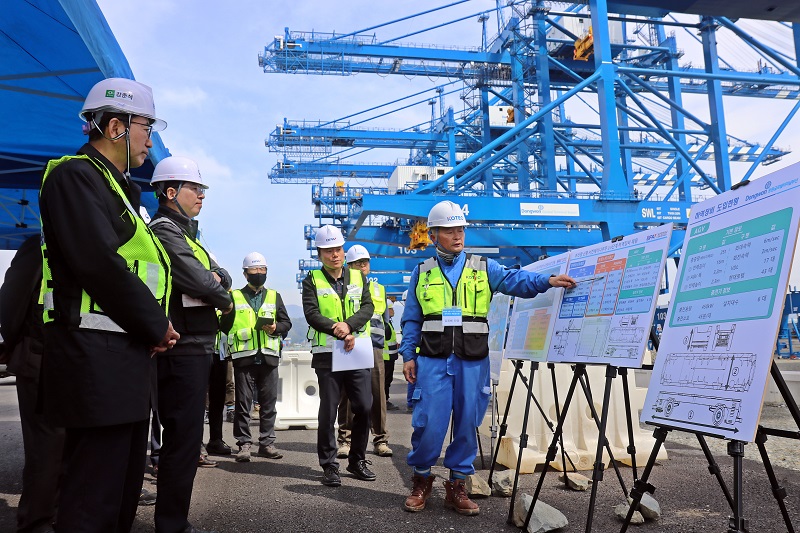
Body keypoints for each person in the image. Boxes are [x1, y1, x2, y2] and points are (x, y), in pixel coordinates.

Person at [38, 77, 180, 532]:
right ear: (116, 127)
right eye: (146, 128)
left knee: (118, 497)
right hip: (94, 363)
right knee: (91, 501)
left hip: (123, 361)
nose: (149, 140)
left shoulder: (120, 191)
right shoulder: (74, 177)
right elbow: (97, 263)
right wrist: (155, 324)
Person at [400, 201, 576, 516]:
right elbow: (411, 319)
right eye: (451, 230)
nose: (458, 236)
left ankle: (457, 487)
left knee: (468, 423)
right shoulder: (421, 272)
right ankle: (421, 480)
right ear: (436, 234)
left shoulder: (484, 268)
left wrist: (545, 281)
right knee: (428, 424)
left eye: (461, 230)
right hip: (433, 360)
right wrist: (407, 355)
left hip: (472, 361)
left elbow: (516, 280)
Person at [148, 156, 233, 533]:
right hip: (182, 349)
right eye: (195, 189)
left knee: (185, 440)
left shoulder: (188, 236)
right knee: (182, 441)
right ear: (170, 192)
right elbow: (201, 283)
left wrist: (217, 281)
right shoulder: (166, 231)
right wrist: (218, 289)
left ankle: (173, 520)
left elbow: (220, 275)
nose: (202, 195)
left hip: (196, 345)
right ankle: (171, 524)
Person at [0, 236, 65, 533]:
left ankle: (57, 514)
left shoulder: (89, 241)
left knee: (67, 447)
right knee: (46, 449)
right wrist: (11, 344)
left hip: (74, 362)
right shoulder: (38, 246)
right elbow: (11, 303)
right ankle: (36, 521)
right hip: (39, 360)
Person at [302, 225, 375, 487]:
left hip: (356, 351)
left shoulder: (358, 277)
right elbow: (311, 313)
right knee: (328, 411)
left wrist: (350, 325)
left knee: (364, 406)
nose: (335, 254)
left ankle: (357, 460)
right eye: (329, 250)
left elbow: (369, 306)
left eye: (338, 249)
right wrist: (338, 329)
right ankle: (329, 465)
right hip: (327, 354)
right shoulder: (311, 280)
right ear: (319, 254)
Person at [219, 252, 292, 462]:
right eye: (254, 270)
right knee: (243, 404)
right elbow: (223, 327)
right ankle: (244, 444)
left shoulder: (274, 296)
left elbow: (286, 323)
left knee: (269, 404)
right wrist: (225, 312)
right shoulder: (234, 297)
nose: (259, 273)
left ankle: (267, 443)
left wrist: (276, 327)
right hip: (244, 357)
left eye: (262, 270)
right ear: (245, 273)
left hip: (268, 357)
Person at [336, 245, 393, 458]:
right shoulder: (342, 288)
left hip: (375, 347)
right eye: (357, 263)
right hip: (352, 346)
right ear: (348, 266)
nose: (362, 266)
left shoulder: (379, 289)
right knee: (348, 396)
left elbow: (385, 321)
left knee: (378, 395)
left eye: (365, 262)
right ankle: (345, 440)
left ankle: (380, 440)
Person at [383, 299, 401, 410]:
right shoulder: (385, 324)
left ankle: (385, 400)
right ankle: (385, 401)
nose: (393, 310)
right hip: (387, 358)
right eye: (391, 309)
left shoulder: (389, 323)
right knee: (386, 381)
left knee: (387, 380)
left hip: (390, 357)